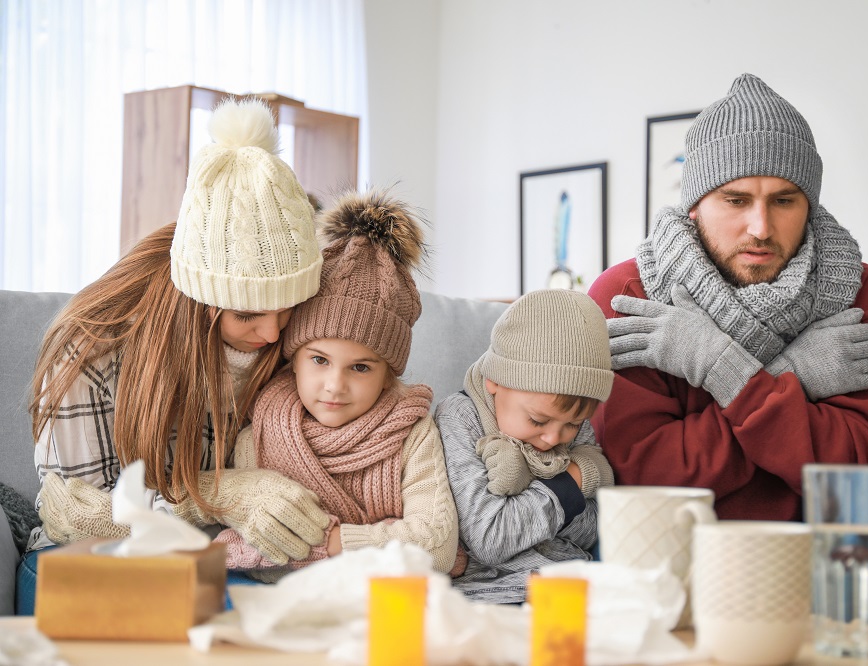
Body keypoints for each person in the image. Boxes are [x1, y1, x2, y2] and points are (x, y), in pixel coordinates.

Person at [588, 73, 868, 613]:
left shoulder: (859, 295)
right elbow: (645, 476)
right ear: (696, 205)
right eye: (736, 200)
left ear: (810, 204)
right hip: (681, 538)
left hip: (813, 530)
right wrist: (795, 375)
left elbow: (858, 472)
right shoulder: (629, 297)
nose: (760, 227)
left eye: (784, 200)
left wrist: (726, 370)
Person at [18, 98, 329, 613]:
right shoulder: (94, 348)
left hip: (216, 559)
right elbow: (79, 521)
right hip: (83, 563)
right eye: (247, 313)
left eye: (288, 307)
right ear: (198, 299)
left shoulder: (296, 341)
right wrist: (224, 493)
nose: (273, 332)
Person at [213, 189, 460, 580]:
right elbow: (256, 550)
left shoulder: (412, 431)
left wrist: (327, 541)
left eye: (360, 368)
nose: (334, 385)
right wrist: (387, 543)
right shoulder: (259, 429)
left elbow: (437, 546)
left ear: (388, 373)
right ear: (292, 358)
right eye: (319, 360)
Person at [436, 289, 615, 604]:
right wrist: (571, 480)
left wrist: (526, 497)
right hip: (494, 596)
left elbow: (594, 529)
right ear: (495, 381)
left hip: (575, 583)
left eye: (573, 426)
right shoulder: (460, 418)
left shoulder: (571, 420)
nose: (553, 439)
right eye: (537, 420)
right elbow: (489, 538)